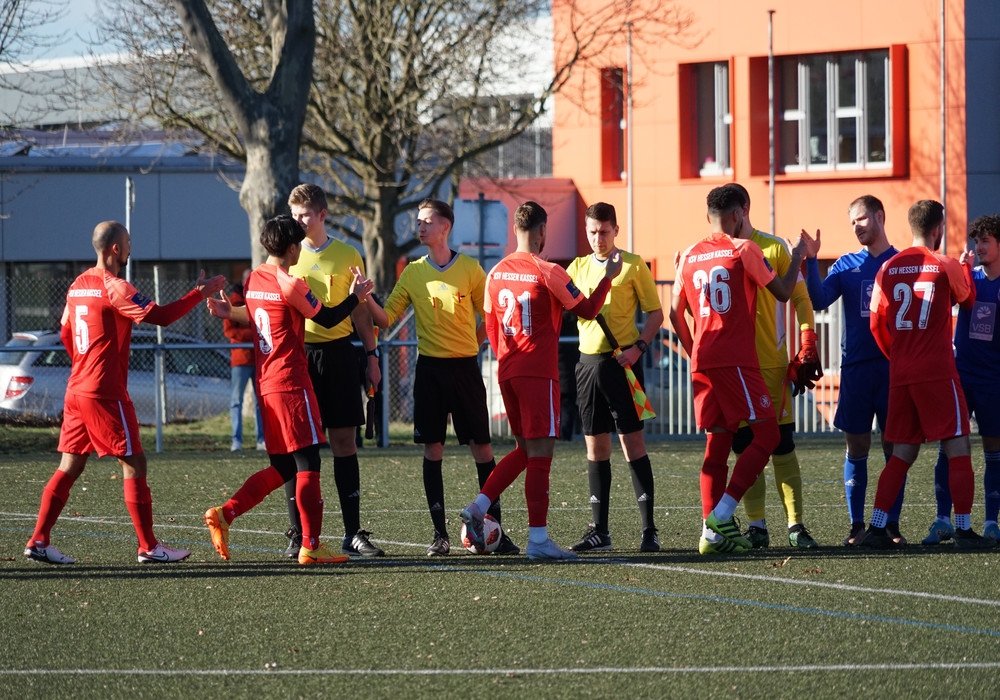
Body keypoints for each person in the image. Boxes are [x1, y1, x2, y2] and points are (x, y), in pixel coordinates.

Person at [24, 221, 226, 565]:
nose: (131, 248)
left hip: (77, 389)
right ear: (116, 249)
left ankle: (39, 540)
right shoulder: (115, 286)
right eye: (128, 242)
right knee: (134, 462)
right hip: (103, 391)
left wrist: (84, 366)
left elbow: (65, 333)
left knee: (70, 464)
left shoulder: (77, 284)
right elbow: (161, 316)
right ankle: (149, 547)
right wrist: (198, 293)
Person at [203, 215, 374, 565]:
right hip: (292, 383)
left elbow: (259, 313)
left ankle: (226, 513)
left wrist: (229, 311)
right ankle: (311, 546)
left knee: (283, 467)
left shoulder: (254, 279)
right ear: (293, 248)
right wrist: (356, 297)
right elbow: (327, 318)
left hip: (266, 384)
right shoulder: (290, 283)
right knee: (309, 462)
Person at [460, 201, 622, 561]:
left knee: (524, 450)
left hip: (507, 371)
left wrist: (507, 358)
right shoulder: (548, 270)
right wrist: (609, 276)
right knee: (541, 455)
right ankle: (538, 540)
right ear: (543, 231)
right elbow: (587, 310)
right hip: (537, 373)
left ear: (515, 230)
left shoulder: (495, 272)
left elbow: (489, 326)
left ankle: (479, 506)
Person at [367, 198, 518, 556]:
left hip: (465, 370)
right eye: (418, 221)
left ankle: (494, 530)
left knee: (482, 448)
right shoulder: (413, 272)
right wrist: (364, 298)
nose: (420, 227)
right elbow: (385, 319)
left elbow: (490, 316)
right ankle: (440, 536)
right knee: (433, 449)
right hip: (430, 371)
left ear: (445, 226)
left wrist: (472, 344)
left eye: (427, 221)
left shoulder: (470, 269)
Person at [668, 184, 805, 555]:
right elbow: (783, 292)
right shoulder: (745, 248)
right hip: (736, 359)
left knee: (717, 444)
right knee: (769, 436)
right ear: (737, 214)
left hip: (704, 360)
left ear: (708, 216)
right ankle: (722, 515)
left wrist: (695, 352)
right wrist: (798, 256)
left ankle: (710, 537)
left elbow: (674, 314)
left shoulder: (689, 254)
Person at [862, 199, 993, 550]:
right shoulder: (945, 264)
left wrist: (896, 355)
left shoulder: (887, 267)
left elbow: (875, 323)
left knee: (902, 453)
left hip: (901, 373)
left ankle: (877, 528)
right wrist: (966, 269)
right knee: (958, 445)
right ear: (938, 230)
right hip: (936, 371)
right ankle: (964, 530)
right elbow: (968, 298)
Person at [800, 195, 907, 546]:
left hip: (894, 370)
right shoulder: (846, 265)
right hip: (856, 369)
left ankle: (890, 526)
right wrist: (811, 260)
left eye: (861, 219)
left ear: (879, 216)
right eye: (852, 222)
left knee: (895, 447)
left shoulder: (902, 263)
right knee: (857, 444)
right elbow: (819, 300)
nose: (856, 227)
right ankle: (857, 526)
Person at [286, 183, 384, 558]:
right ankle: (298, 534)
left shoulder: (347, 255)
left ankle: (352, 533)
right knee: (300, 448)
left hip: (341, 356)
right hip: (300, 357)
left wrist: (372, 356)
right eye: (294, 215)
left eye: (304, 215)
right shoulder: (287, 255)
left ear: (322, 215)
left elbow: (360, 311)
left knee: (344, 443)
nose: (298, 221)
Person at [565, 202, 662, 553]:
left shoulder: (633, 265)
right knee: (596, 446)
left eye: (604, 231)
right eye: (592, 232)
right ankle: (600, 531)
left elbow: (656, 314)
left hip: (622, 365)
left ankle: (649, 529)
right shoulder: (576, 267)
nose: (598, 238)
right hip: (587, 366)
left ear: (616, 230)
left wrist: (638, 348)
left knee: (632, 444)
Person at [728, 184, 820, 549]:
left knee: (782, 446)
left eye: (730, 215)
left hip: (771, 367)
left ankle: (796, 526)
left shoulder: (774, 248)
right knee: (744, 447)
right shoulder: (715, 252)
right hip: (733, 369)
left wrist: (808, 340)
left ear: (744, 210)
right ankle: (757, 527)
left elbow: (800, 298)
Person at [920, 214, 1000, 544]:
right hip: (960, 377)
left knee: (994, 451)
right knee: (950, 447)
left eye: (986, 241)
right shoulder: (968, 276)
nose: (979, 247)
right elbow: (943, 302)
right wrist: (960, 271)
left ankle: (991, 523)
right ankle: (943, 520)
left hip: (994, 381)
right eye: (976, 241)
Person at [224, 267, 265, 452]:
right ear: (242, 281)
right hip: (241, 359)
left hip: (258, 358)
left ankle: (261, 439)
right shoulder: (233, 301)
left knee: (260, 402)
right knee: (236, 400)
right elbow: (229, 330)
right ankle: (236, 440)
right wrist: (253, 334)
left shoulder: (259, 299)